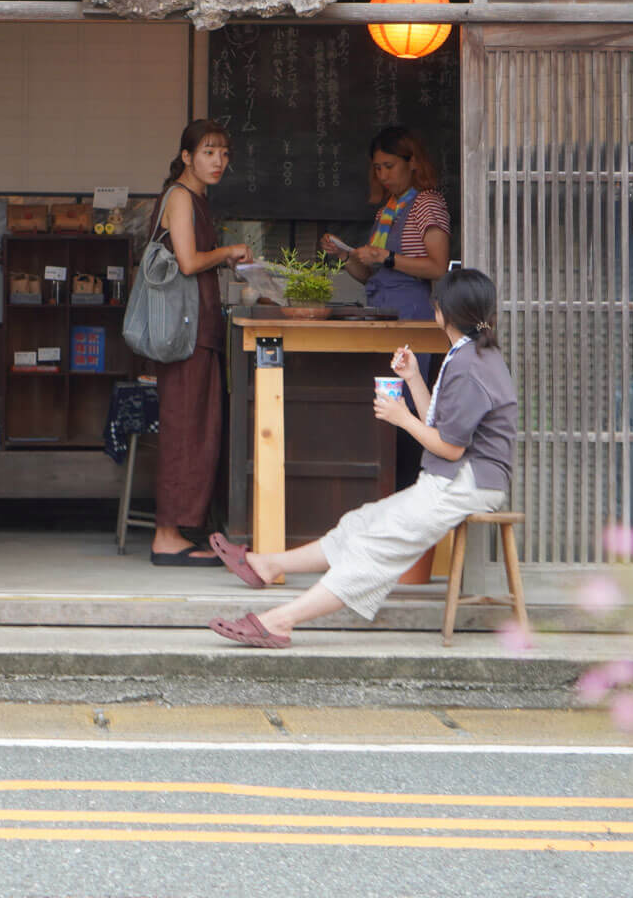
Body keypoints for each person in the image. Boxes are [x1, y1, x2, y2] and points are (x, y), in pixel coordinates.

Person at [205, 267, 516, 647]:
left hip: (466, 481)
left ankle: (280, 621)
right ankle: (269, 565)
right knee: (360, 523)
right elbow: (439, 425)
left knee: (375, 547)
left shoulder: (470, 366)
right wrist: (414, 378)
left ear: (443, 312)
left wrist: (400, 418)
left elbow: (449, 446)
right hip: (457, 479)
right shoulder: (469, 355)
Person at [321, 125, 453, 485]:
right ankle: (386, 485)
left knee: (409, 403)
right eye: (377, 167)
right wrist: (346, 255)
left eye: (390, 165)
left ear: (413, 163)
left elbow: (438, 267)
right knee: (385, 401)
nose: (383, 174)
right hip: (381, 308)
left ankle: (412, 483)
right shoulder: (387, 208)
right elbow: (368, 275)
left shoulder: (428, 202)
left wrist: (388, 257)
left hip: (412, 311)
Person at [148, 118, 253, 565]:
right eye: (209, 152)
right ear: (187, 157)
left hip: (198, 331)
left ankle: (185, 529)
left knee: (198, 430)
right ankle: (166, 535)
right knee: (184, 430)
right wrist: (228, 252)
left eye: (225, 153)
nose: (219, 161)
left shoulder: (196, 200)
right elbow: (189, 262)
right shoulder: (180, 196)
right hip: (186, 334)